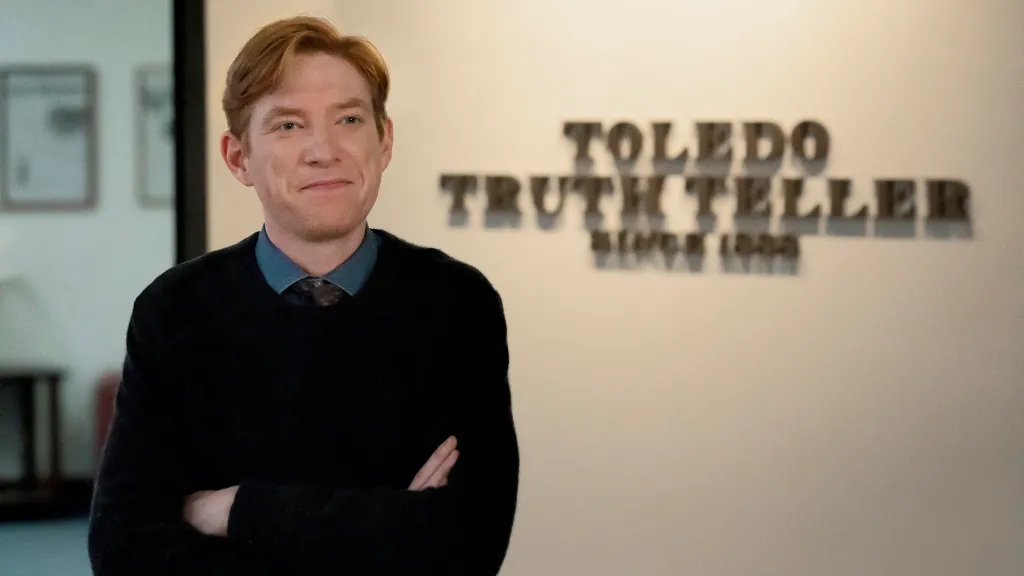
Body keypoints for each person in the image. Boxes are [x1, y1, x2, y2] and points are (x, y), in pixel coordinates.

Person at [87, 15, 519, 576]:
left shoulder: (457, 305)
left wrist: (235, 510)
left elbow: (468, 545)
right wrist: (388, 525)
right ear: (238, 158)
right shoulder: (175, 311)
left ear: (384, 141)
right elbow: (124, 550)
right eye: (288, 125)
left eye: (349, 119)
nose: (324, 150)